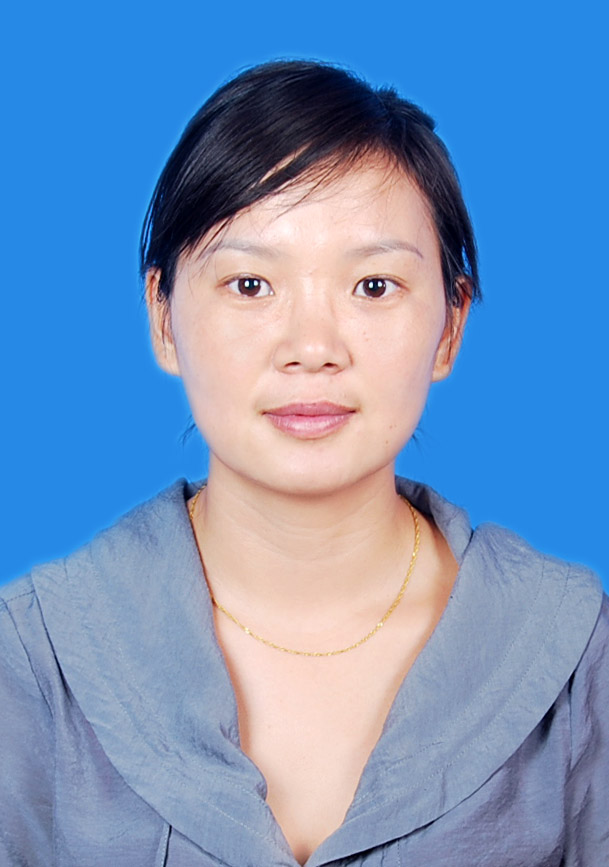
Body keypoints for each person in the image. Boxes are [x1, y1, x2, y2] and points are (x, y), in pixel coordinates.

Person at [0, 60, 606, 867]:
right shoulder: (32, 660)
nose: (312, 347)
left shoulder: (575, 658)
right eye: (250, 284)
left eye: (373, 285)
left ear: (451, 326)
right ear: (163, 318)